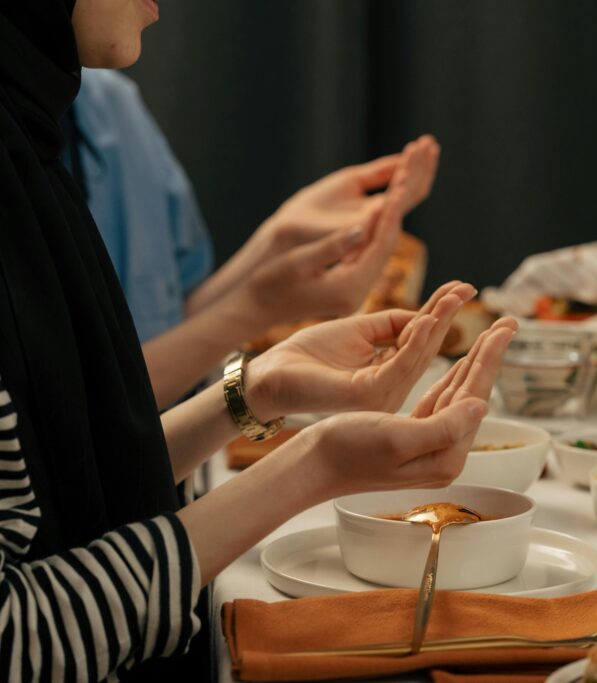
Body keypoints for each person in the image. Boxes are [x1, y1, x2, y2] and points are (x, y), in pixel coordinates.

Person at [0, 3, 516, 682]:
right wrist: (313, 464)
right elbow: (15, 635)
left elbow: (62, 494)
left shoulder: (26, 140)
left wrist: (252, 392)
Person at [65, 67, 442, 407]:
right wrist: (258, 309)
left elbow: (169, 326)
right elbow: (79, 410)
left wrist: (280, 238)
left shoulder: (113, 104)